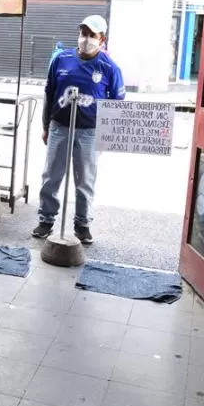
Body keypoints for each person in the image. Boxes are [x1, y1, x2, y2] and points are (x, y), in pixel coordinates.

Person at [33, 15, 125, 244]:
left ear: (101, 39)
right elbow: (49, 94)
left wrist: (108, 136)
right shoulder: (61, 60)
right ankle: (46, 219)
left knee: (85, 180)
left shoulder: (109, 68)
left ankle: (82, 224)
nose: (85, 39)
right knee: (51, 176)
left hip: (90, 133)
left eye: (91, 35)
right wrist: (46, 126)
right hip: (59, 128)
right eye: (83, 33)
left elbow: (117, 105)